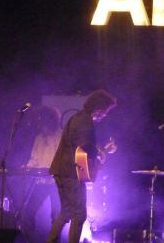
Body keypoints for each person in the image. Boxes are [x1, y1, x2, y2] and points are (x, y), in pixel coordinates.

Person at [47, 90, 117, 243]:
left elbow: (80, 145)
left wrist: (100, 151)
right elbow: (85, 146)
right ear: (99, 108)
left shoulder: (77, 118)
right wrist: (101, 153)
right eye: (105, 112)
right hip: (72, 173)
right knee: (79, 215)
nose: (104, 115)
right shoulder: (85, 121)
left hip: (62, 170)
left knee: (65, 213)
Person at [21, 106, 62, 243]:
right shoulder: (38, 138)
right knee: (28, 213)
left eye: (44, 121)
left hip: (57, 183)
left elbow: (64, 158)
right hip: (40, 182)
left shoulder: (61, 136)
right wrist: (27, 166)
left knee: (56, 216)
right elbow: (34, 159)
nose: (41, 125)